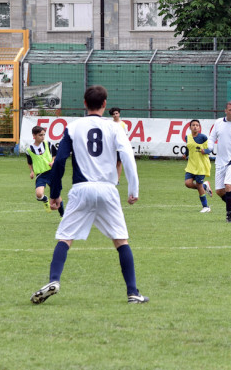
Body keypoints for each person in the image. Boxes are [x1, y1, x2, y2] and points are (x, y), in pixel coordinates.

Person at [30, 85, 148, 305]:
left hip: (81, 189)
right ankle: (133, 292)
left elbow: (60, 162)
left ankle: (54, 280)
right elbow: (128, 158)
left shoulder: (73, 127)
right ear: (105, 104)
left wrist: (55, 193)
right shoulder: (115, 127)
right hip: (107, 189)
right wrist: (134, 190)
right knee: (121, 241)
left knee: (65, 238)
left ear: (84, 103)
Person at [26, 125, 64, 217]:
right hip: (41, 175)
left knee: (57, 197)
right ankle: (45, 200)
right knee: (39, 194)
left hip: (52, 173)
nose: (43, 137)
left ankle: (62, 216)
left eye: (43, 135)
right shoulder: (29, 149)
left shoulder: (49, 144)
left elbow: (56, 155)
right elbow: (30, 162)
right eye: (40, 135)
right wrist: (31, 171)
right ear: (34, 136)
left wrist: (53, 162)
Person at [183, 119, 213, 213]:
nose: (195, 126)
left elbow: (210, 148)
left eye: (197, 125)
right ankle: (205, 186)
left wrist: (206, 151)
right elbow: (189, 147)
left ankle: (206, 207)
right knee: (188, 183)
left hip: (201, 165)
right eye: (193, 125)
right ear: (190, 127)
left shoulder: (203, 137)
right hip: (191, 165)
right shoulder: (187, 137)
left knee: (198, 185)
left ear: (199, 127)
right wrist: (185, 154)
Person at [109, 107, 126, 183]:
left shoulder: (123, 125)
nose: (115, 115)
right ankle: (111, 178)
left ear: (119, 114)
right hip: (111, 147)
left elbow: (125, 136)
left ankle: (117, 179)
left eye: (116, 113)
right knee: (111, 163)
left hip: (119, 147)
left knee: (119, 163)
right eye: (114, 114)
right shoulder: (110, 124)